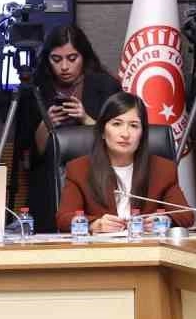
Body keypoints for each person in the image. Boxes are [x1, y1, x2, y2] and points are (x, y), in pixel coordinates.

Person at [14, 25, 122, 231]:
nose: (64, 67)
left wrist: (86, 119)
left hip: (97, 177)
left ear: (84, 56)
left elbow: (120, 137)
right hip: (47, 181)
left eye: (72, 59)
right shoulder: (35, 88)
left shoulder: (105, 85)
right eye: (56, 59)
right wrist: (47, 124)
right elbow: (28, 154)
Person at [56, 92, 194, 233]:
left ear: (142, 134)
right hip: (101, 246)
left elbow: (186, 216)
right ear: (102, 131)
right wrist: (94, 224)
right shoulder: (79, 169)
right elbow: (64, 218)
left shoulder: (163, 169)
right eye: (117, 124)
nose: (125, 134)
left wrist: (166, 220)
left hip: (147, 245)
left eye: (134, 126)